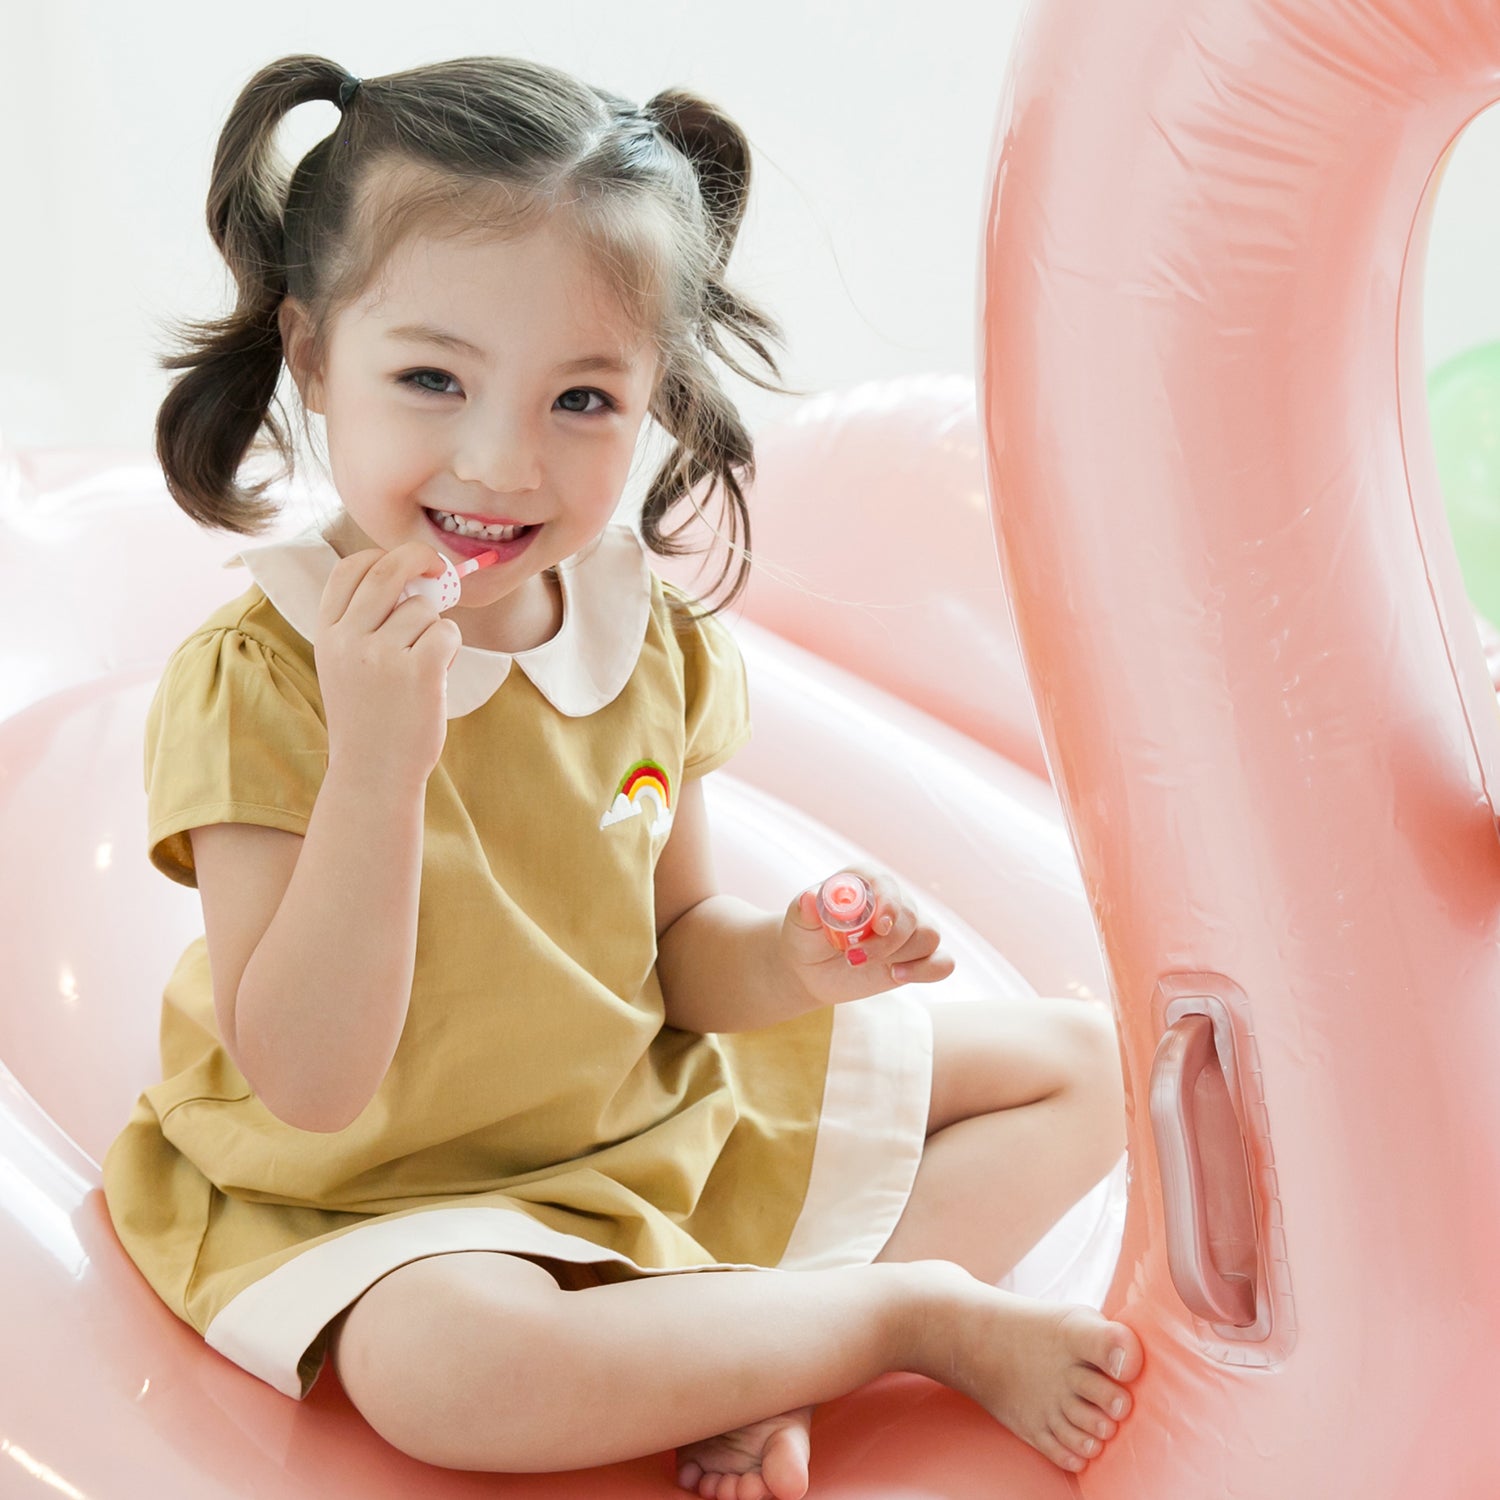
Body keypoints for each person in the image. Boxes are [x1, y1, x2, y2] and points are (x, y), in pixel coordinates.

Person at [102, 52, 1142, 1500]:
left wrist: (792, 960)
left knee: (1087, 1070)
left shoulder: (635, 633)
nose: (499, 459)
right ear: (311, 353)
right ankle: (893, 1318)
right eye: (430, 378)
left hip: (629, 1118)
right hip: (396, 1197)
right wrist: (380, 763)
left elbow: (672, 964)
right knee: (445, 1372)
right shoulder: (264, 674)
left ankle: (762, 1362)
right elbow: (311, 1082)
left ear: (656, 396)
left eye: (582, 399)